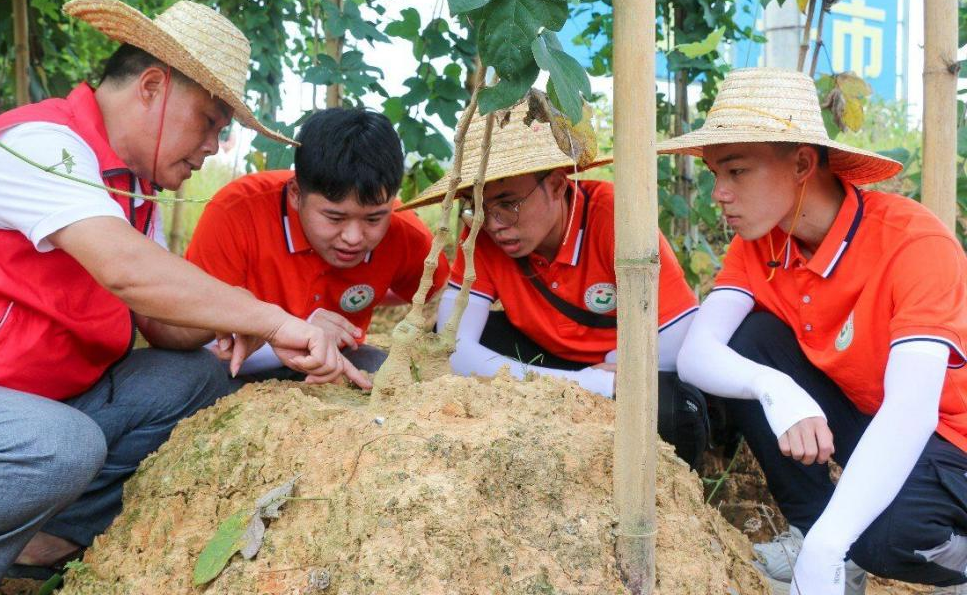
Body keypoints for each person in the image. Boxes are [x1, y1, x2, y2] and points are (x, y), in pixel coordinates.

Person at [0, 0, 368, 595]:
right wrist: (270, 316)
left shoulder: (132, 190)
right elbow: (125, 269)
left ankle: (36, 544)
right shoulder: (40, 144)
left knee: (195, 379)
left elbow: (165, 326)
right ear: (152, 86)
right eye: (209, 121)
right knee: (58, 445)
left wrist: (240, 327)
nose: (214, 147)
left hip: (26, 413)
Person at [660, 67, 967, 595]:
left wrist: (835, 541)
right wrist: (776, 388)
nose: (719, 194)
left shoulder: (912, 241)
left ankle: (883, 552)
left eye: (736, 171)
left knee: (881, 539)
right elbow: (697, 353)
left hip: (949, 437)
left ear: (802, 163)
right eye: (715, 173)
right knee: (751, 343)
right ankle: (818, 542)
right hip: (870, 417)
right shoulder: (762, 242)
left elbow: (911, 411)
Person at [402, 104, 709, 467]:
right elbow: (452, 344)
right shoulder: (480, 233)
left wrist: (616, 367)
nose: (495, 223)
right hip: (558, 360)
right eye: (478, 206)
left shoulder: (616, 216)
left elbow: (681, 334)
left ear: (556, 185)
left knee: (673, 409)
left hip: (624, 362)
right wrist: (581, 383)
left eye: (508, 203)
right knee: (480, 340)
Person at [180, 107, 449, 375]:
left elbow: (433, 290)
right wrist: (301, 327)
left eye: (373, 219)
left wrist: (371, 293)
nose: (353, 238)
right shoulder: (237, 213)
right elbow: (196, 330)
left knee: (385, 373)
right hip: (238, 363)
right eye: (334, 218)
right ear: (296, 194)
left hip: (337, 360)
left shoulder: (405, 235)